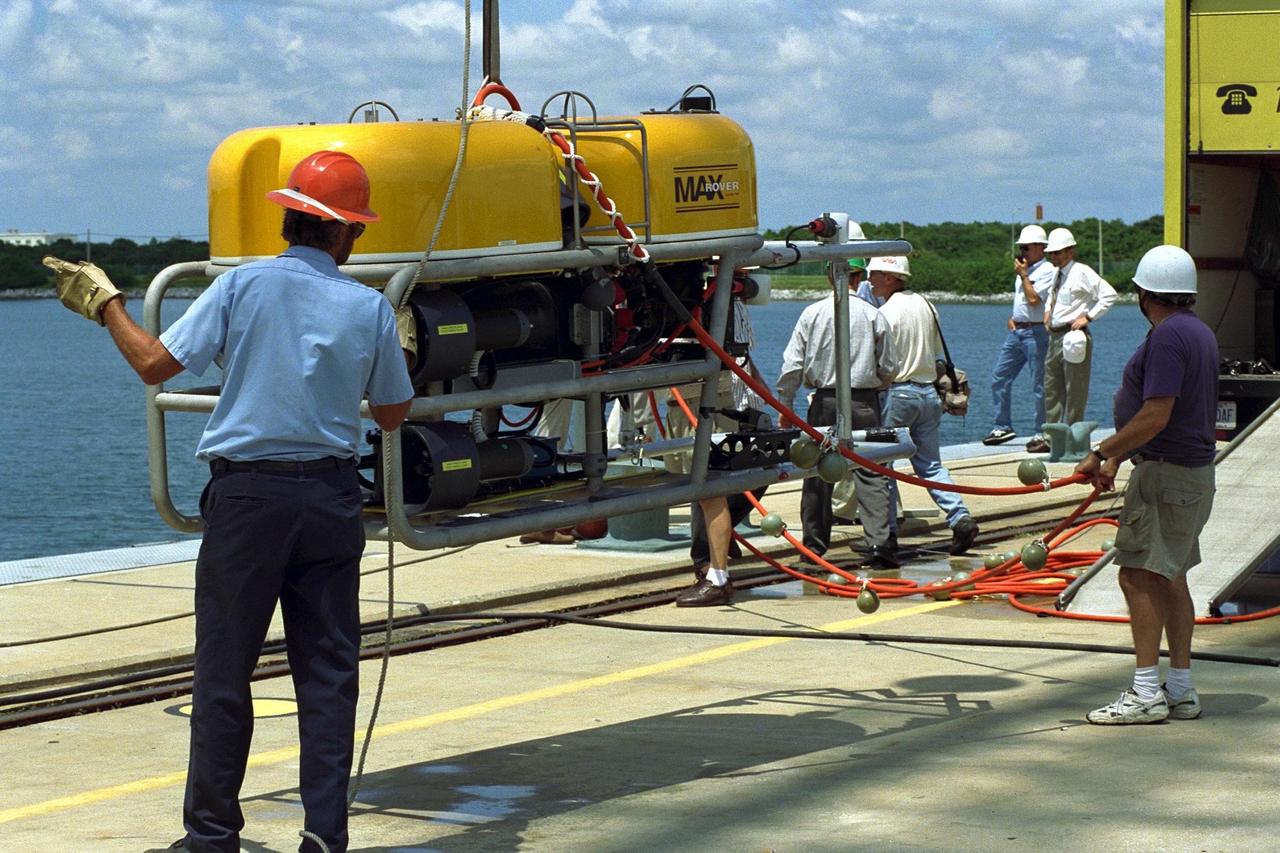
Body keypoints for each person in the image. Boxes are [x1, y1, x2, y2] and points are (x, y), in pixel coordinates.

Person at [48, 149, 415, 853]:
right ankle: (325, 836)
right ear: (348, 233)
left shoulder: (241, 286)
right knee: (330, 673)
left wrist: (108, 305)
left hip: (248, 495)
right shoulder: (368, 306)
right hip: (332, 498)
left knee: (224, 671)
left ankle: (212, 835)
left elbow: (155, 364)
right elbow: (394, 413)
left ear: (288, 218)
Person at [1075, 245, 1217, 725]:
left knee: (1136, 575)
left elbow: (1157, 414)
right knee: (1170, 575)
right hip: (1189, 473)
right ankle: (1179, 688)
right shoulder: (1197, 331)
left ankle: (1144, 693)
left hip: (1165, 474)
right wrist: (1121, 455)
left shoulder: (1167, 338)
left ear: (1144, 293)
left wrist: (1102, 452)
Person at [776, 258, 899, 570]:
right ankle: (879, 543)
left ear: (829, 277)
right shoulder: (874, 315)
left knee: (817, 473)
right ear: (859, 278)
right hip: (865, 402)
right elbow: (889, 368)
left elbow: (792, 365)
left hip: (824, 401)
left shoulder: (812, 314)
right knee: (872, 473)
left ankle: (814, 548)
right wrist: (873, 386)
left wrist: (786, 406)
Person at [868, 256, 980, 555]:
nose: (870, 279)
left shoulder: (885, 313)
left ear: (891, 277)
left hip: (897, 396)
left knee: (884, 466)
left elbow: (881, 361)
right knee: (930, 465)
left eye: (875, 274)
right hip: (928, 396)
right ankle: (959, 517)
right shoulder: (927, 305)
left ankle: (886, 534)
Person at [674, 299, 771, 606]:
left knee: (726, 482)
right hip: (703, 387)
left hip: (731, 393)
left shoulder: (734, 303)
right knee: (707, 484)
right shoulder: (702, 299)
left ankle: (714, 567)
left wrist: (761, 389)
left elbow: (743, 353)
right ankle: (710, 563)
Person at [984, 225, 1055, 451]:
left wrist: (1024, 275)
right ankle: (1002, 425)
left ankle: (1041, 431)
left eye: (1026, 247)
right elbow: (1024, 301)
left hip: (1037, 333)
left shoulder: (1047, 271)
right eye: (1021, 248)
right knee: (999, 376)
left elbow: (1034, 300)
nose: (1022, 252)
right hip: (1017, 332)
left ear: (1040, 248)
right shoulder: (1024, 271)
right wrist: (1014, 317)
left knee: (1039, 385)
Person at [1042, 227, 1117, 432]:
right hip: (1055, 335)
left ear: (1070, 251)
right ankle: (1053, 435)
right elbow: (1052, 295)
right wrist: (1047, 312)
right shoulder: (1057, 274)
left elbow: (1109, 295)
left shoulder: (1081, 272)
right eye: (1051, 253)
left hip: (1074, 336)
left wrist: (1088, 317)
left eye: (1057, 252)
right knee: (1052, 388)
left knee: (1075, 389)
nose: (1053, 256)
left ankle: (1072, 434)